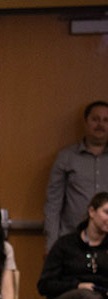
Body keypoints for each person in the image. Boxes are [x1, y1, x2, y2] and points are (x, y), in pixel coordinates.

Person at [44, 101, 108, 250]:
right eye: (95, 119)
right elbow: (53, 204)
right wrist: (52, 244)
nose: (100, 124)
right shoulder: (66, 158)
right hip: (72, 241)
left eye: (106, 120)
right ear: (86, 122)